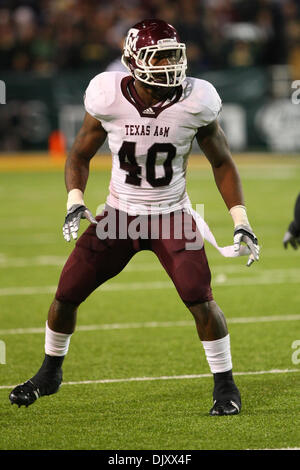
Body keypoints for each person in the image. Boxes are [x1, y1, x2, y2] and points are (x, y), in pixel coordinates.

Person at [9, 19, 260, 416]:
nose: (168, 64)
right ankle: (49, 372)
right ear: (132, 60)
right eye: (158, 56)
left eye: (173, 54)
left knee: (201, 299)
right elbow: (78, 154)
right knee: (66, 293)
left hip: (172, 215)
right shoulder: (107, 95)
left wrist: (240, 219)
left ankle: (226, 385)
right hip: (119, 215)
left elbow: (223, 162)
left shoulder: (198, 99)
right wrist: (75, 199)